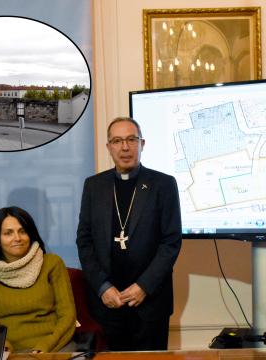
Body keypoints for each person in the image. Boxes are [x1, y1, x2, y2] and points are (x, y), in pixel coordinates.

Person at [76, 117, 182, 351]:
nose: (125, 147)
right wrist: (102, 287)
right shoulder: (94, 186)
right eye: (117, 141)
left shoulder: (163, 184)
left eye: (131, 140)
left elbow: (171, 242)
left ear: (142, 143)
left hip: (150, 302)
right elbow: (84, 241)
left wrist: (144, 286)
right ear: (109, 147)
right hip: (108, 303)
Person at [0, 206, 76, 353]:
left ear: (30, 235)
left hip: (55, 347)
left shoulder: (52, 264)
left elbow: (67, 316)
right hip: (9, 353)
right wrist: (7, 351)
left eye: (22, 231)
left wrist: (45, 347)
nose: (17, 238)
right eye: (8, 233)